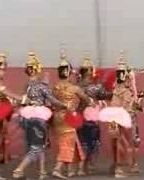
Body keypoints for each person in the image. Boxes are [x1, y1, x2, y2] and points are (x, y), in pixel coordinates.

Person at [12, 52, 66, 179]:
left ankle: (42, 172)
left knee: (37, 145)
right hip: (38, 118)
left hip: (26, 118)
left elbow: (23, 99)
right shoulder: (41, 86)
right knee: (36, 147)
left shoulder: (28, 86)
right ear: (37, 69)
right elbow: (52, 100)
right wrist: (64, 105)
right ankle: (19, 170)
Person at [52, 50, 92, 179]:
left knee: (70, 141)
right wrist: (91, 102)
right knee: (67, 143)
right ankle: (57, 168)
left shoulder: (55, 87)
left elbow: (52, 101)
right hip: (69, 117)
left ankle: (70, 170)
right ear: (68, 72)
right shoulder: (74, 88)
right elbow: (86, 99)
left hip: (57, 117)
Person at [76, 52, 112, 174]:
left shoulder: (76, 86)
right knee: (93, 142)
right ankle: (87, 165)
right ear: (90, 72)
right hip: (91, 118)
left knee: (82, 142)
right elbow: (106, 95)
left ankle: (81, 168)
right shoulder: (96, 87)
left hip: (78, 118)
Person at [107, 51, 134, 178]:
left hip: (112, 118)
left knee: (115, 141)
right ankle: (118, 168)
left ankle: (115, 166)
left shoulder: (115, 90)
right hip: (120, 118)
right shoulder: (126, 91)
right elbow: (125, 107)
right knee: (120, 142)